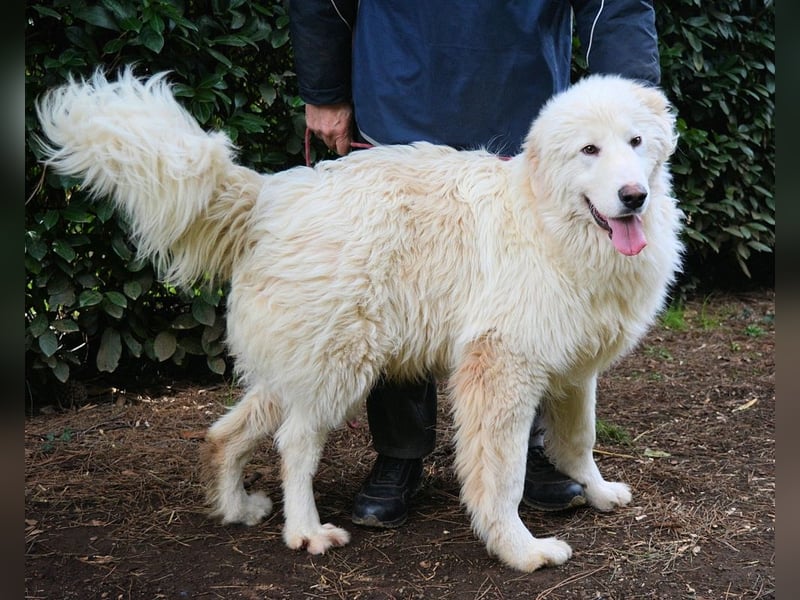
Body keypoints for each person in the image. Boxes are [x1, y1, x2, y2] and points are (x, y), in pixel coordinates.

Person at [288, 0, 661, 528]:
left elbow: (615, 4)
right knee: (394, 285)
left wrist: (634, 110)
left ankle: (527, 449)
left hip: (520, 96)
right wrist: (324, 89)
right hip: (399, 88)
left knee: (529, 309)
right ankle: (401, 452)